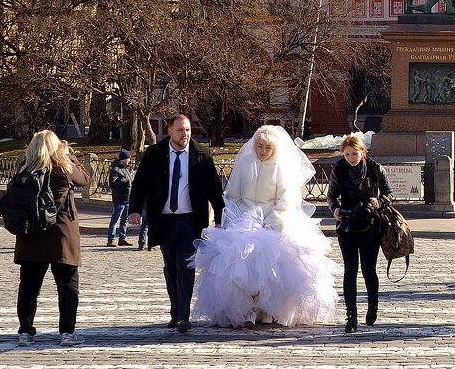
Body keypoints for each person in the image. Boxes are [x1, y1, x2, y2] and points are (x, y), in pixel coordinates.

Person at [192, 126, 338, 328]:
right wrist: (242, 216)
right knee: (239, 265)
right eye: (259, 146)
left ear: (274, 149)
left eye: (267, 147)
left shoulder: (282, 167)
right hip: (244, 221)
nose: (262, 151)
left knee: (272, 268)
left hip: (273, 223)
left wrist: (272, 221)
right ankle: (248, 309)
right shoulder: (244, 163)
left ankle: (268, 309)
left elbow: (286, 200)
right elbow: (233, 195)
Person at [128, 115, 225, 334]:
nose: (185, 134)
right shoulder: (154, 154)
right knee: (171, 267)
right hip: (164, 220)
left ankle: (183, 316)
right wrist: (134, 209)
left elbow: (214, 190)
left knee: (186, 265)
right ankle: (175, 310)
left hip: (190, 220)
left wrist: (220, 219)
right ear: (169, 130)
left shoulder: (202, 154)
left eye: (188, 130)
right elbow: (139, 184)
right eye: (181, 130)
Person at [13, 131, 90, 347]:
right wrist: (69, 155)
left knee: (29, 287)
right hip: (61, 236)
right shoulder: (63, 169)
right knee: (67, 287)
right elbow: (85, 178)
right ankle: (67, 332)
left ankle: (25, 332)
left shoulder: (25, 169)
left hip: (31, 236)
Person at [328, 134, 392, 334]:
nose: (351, 158)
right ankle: (351, 316)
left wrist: (378, 202)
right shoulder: (339, 169)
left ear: (363, 151)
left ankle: (373, 306)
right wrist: (335, 209)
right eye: (347, 154)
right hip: (347, 226)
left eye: (355, 154)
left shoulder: (374, 168)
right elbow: (331, 195)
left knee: (368, 270)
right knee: (350, 271)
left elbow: (388, 193)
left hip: (370, 226)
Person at [107, 150, 135, 247]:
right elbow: (113, 183)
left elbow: (130, 182)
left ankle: (122, 238)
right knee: (115, 219)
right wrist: (125, 179)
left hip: (127, 198)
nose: (129, 161)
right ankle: (111, 239)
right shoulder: (115, 169)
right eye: (128, 159)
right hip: (119, 198)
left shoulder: (127, 169)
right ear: (124, 159)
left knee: (125, 220)